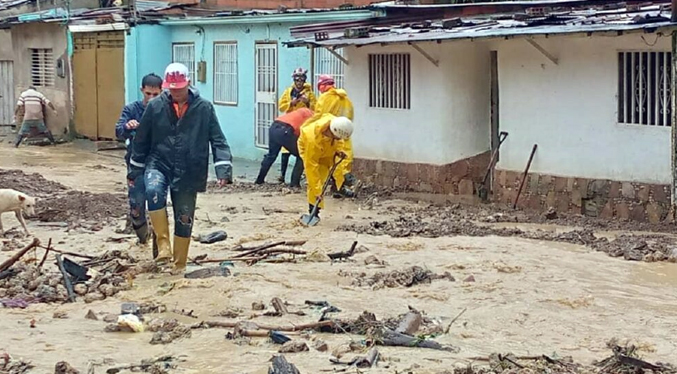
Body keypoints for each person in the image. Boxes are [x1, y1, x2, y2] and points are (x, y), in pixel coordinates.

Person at [129, 63, 233, 272]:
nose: (175, 92)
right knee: (153, 191)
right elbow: (141, 140)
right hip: (158, 162)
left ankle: (179, 266)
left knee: (184, 216)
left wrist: (223, 170)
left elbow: (218, 140)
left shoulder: (204, 108)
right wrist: (135, 169)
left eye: (179, 88)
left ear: (188, 84)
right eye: (171, 88)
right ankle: (163, 245)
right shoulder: (155, 106)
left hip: (190, 167)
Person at [115, 73, 163, 245]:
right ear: (142, 90)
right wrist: (128, 127)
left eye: (155, 95)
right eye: (148, 94)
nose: (151, 98)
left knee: (158, 200)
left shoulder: (165, 110)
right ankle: (143, 239)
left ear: (162, 92)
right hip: (136, 164)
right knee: (136, 205)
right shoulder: (132, 109)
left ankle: (160, 243)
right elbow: (118, 130)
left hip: (159, 164)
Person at [298, 113, 354, 219]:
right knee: (315, 181)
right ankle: (313, 211)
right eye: (337, 138)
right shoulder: (312, 140)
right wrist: (317, 190)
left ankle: (317, 207)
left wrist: (338, 150)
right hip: (310, 150)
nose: (339, 140)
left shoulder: (336, 124)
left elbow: (339, 142)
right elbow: (311, 169)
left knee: (324, 179)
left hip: (326, 147)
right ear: (332, 133)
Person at [312, 75, 357, 198]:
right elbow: (350, 117)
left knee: (330, 162)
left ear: (323, 86)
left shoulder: (324, 98)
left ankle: (331, 188)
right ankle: (339, 186)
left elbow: (318, 117)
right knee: (343, 161)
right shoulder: (346, 99)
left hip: (329, 134)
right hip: (344, 135)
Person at [255, 108, 314, 188]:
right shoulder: (312, 118)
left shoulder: (304, 111)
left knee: (271, 155)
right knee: (302, 155)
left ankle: (259, 180)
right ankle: (294, 183)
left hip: (274, 126)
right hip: (286, 129)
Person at [277, 68, 316, 184]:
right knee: (285, 150)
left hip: (304, 124)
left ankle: (301, 174)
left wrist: (307, 102)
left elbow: (316, 108)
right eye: (297, 80)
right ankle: (282, 175)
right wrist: (291, 103)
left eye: (301, 80)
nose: (299, 82)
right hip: (291, 123)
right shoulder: (288, 92)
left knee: (303, 150)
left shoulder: (310, 93)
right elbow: (281, 106)